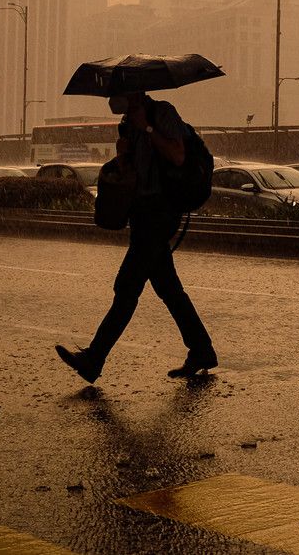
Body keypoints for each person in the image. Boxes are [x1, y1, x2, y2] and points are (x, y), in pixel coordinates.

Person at [55, 91, 217, 383]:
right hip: (142, 214)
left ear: (134, 91)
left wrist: (148, 128)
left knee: (127, 288)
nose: (110, 99)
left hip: (160, 211)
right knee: (168, 289)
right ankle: (202, 350)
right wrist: (123, 156)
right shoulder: (127, 122)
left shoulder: (162, 113)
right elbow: (135, 173)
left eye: (116, 91)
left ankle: (94, 358)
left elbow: (178, 155)